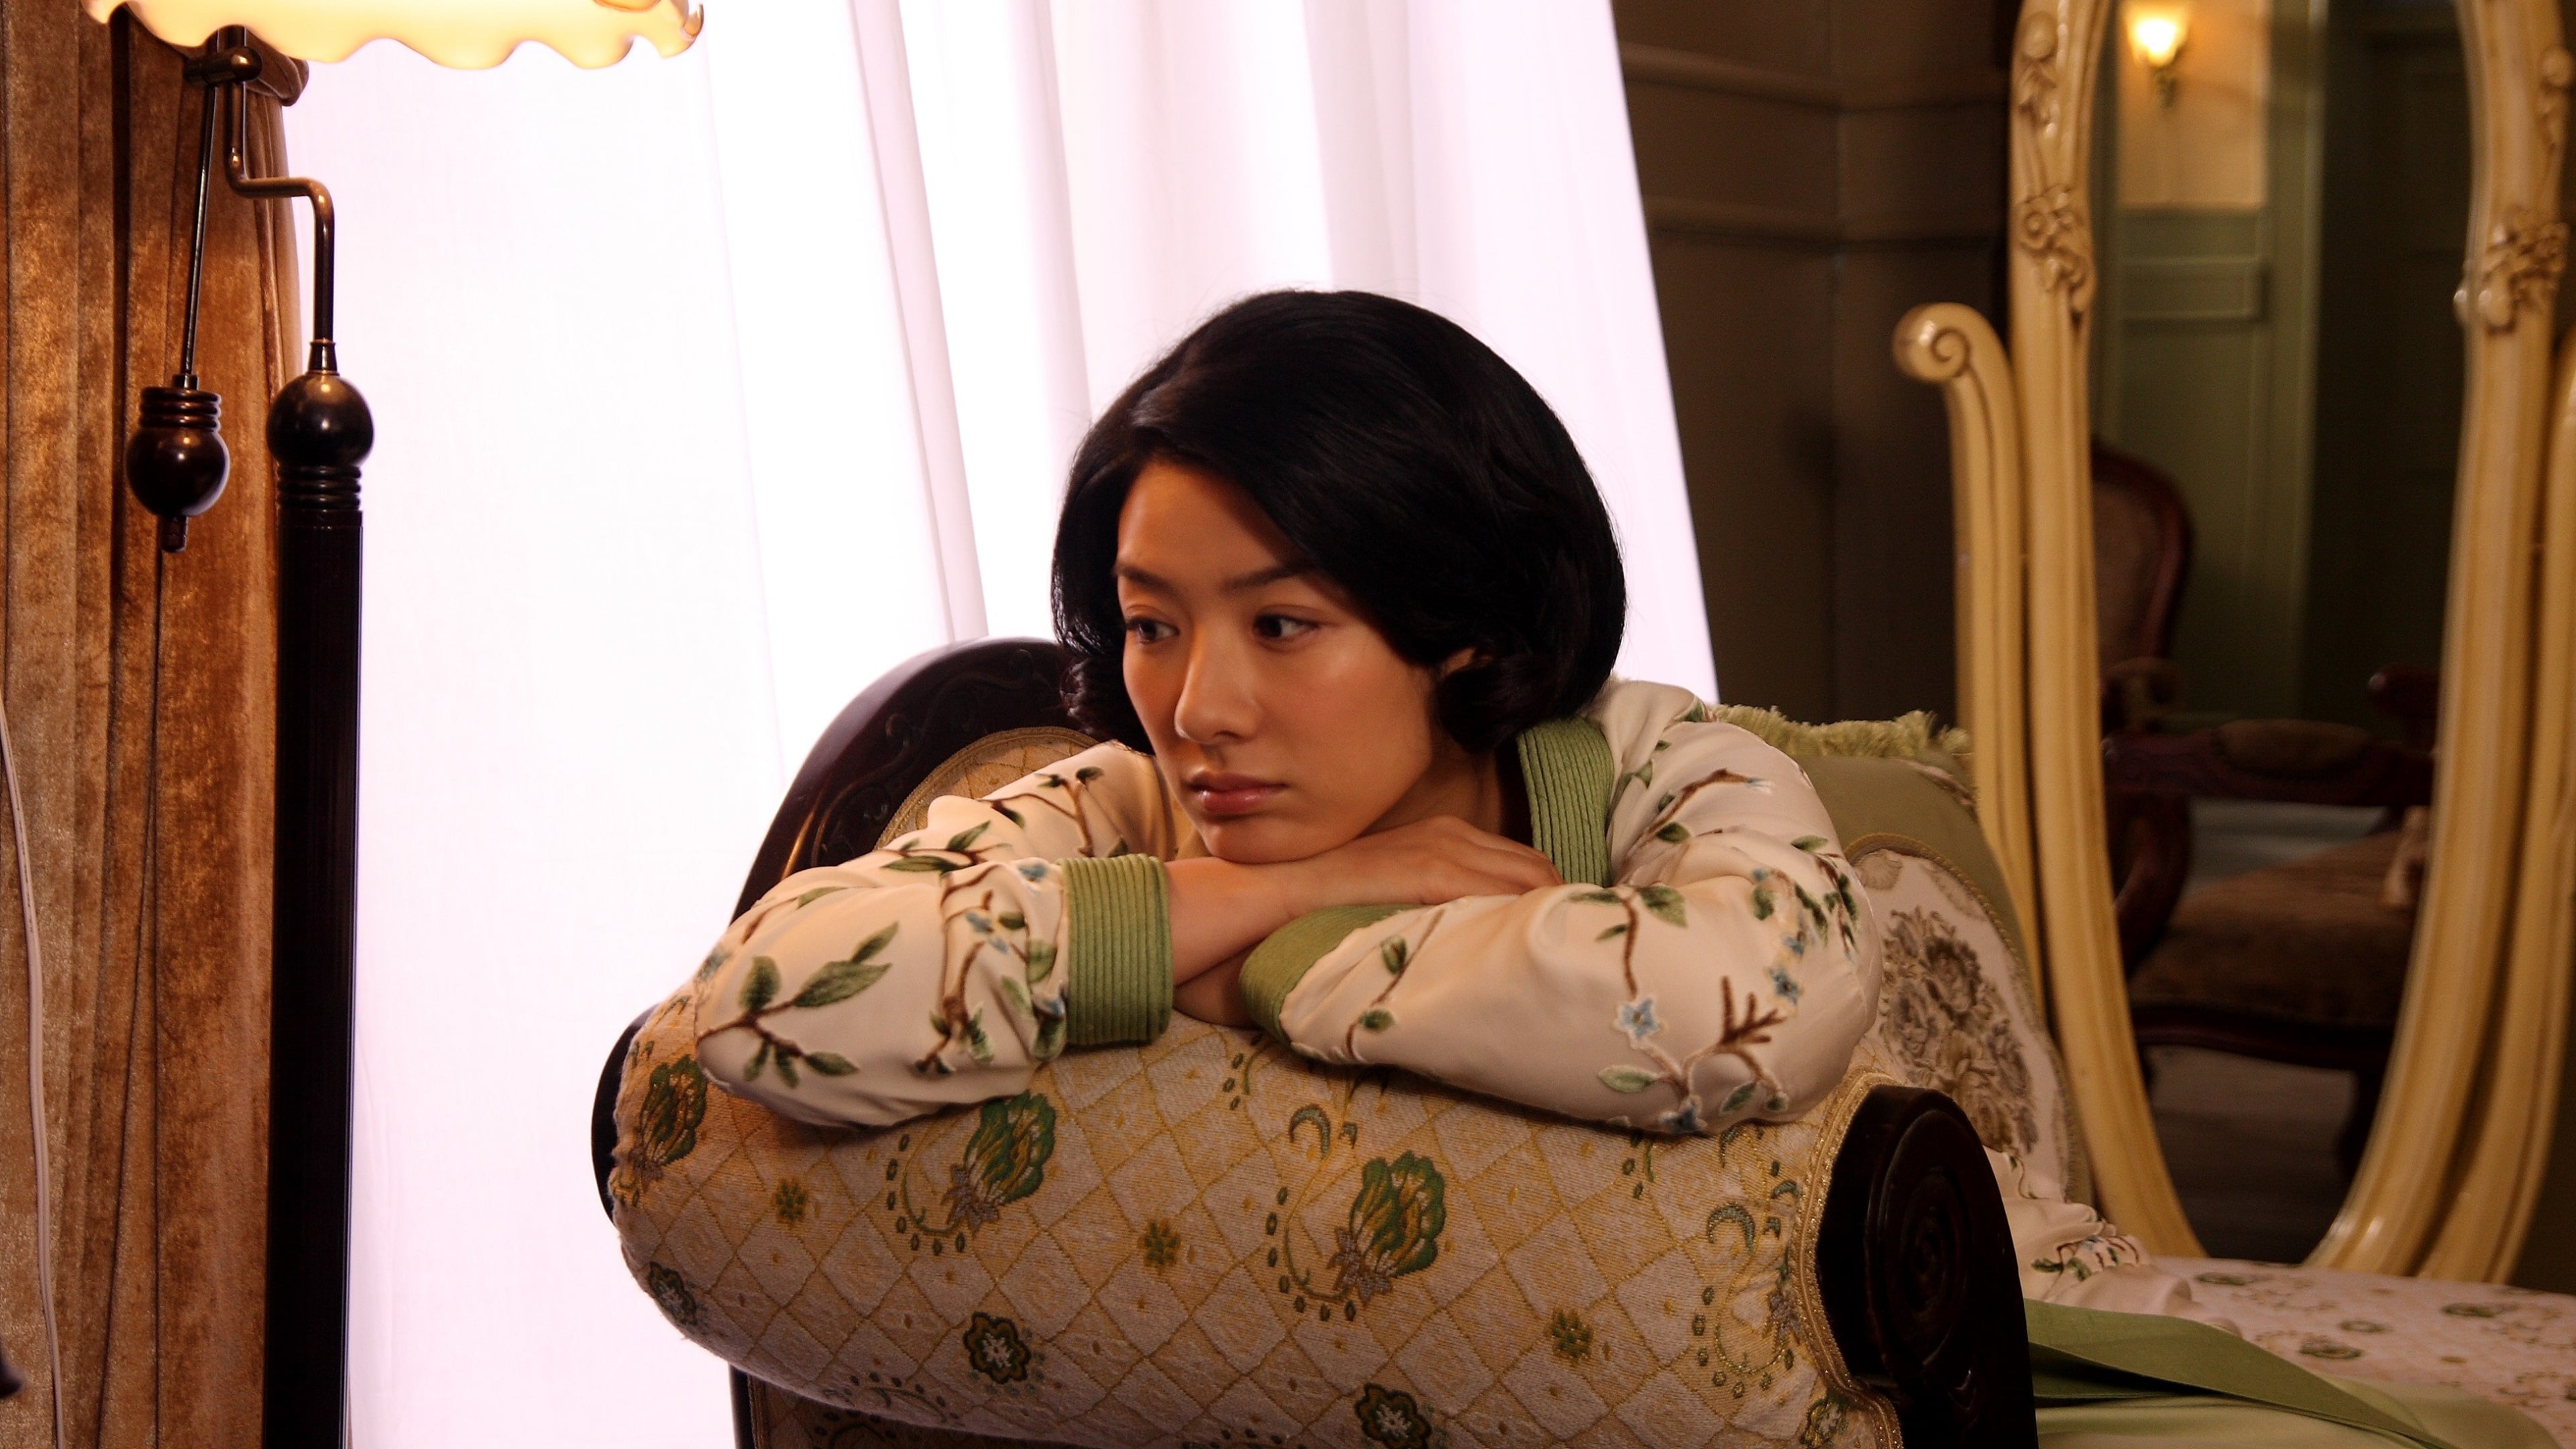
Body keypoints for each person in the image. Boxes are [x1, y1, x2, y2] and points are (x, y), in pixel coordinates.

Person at [676, 288, 2179, 1316]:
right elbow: (763, 1007)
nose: (1197, 707)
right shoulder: (1118, 811)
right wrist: (1273, 895)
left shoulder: (1650, 765)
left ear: (1459, 621)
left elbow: (1760, 998)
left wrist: (1253, 969)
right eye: (1150, 624)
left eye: (1282, 625)